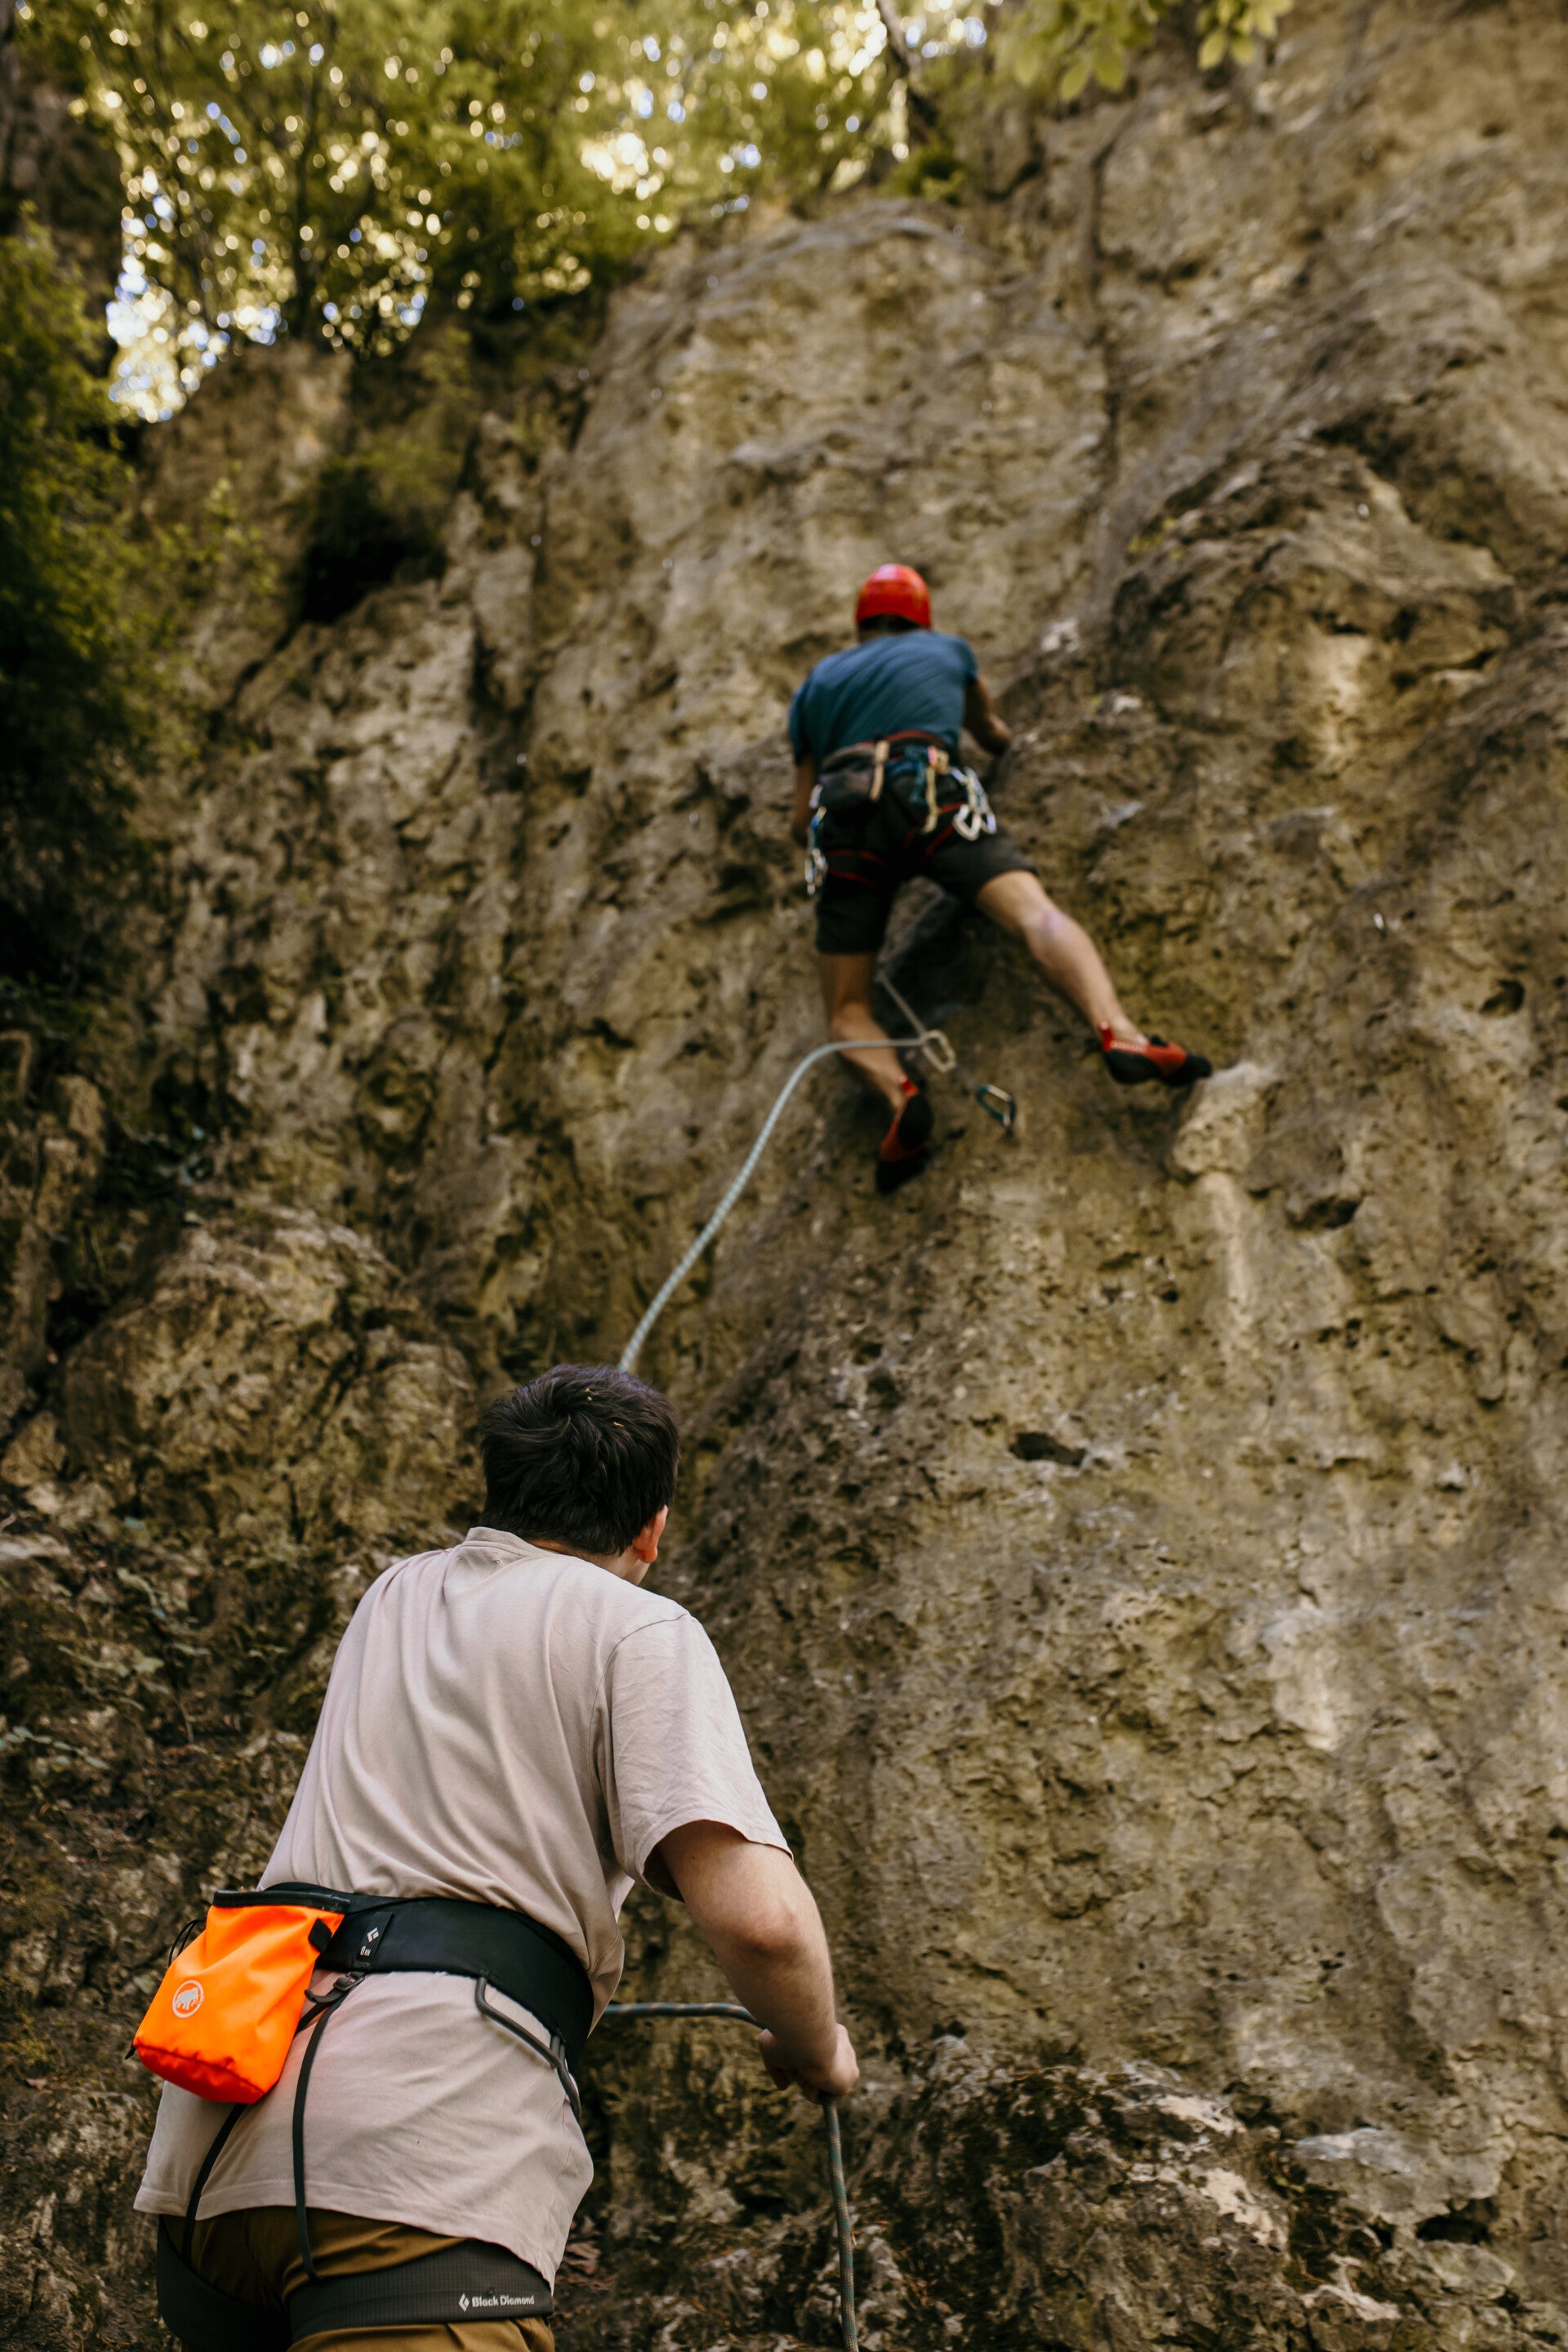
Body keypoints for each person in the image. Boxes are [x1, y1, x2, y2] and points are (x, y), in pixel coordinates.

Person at [135, 1364, 858, 2351]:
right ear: (652, 1527)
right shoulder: (642, 1627)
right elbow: (762, 1924)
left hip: (216, 2158)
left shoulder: (392, 1596)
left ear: (496, 1495)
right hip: (418, 2164)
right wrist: (815, 2047)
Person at [789, 564, 1212, 1192]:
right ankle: (1118, 1033)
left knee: (848, 1007)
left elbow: (800, 819)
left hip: (847, 821)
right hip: (930, 789)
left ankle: (902, 1096)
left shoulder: (818, 683)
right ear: (920, 619)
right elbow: (993, 735)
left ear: (862, 624)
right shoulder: (947, 650)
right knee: (1037, 916)